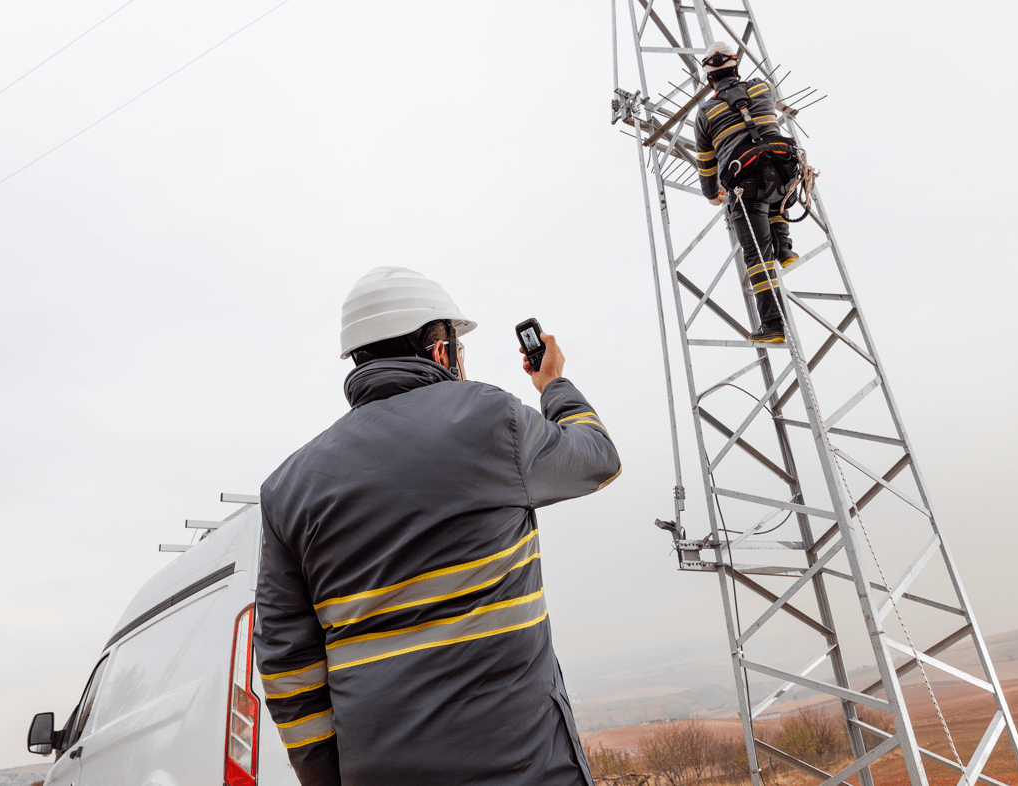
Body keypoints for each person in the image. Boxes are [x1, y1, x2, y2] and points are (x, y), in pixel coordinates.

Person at [253, 266, 622, 786]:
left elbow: (287, 668)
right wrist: (553, 383)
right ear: (441, 352)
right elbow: (598, 458)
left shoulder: (286, 490)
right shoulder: (491, 419)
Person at [693, 40, 800, 343]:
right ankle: (785, 247)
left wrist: (712, 194)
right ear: (735, 65)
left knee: (757, 256)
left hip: (748, 186)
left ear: (709, 77)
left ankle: (773, 325)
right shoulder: (761, 88)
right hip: (786, 174)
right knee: (774, 196)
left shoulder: (706, 112)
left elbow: (706, 163)